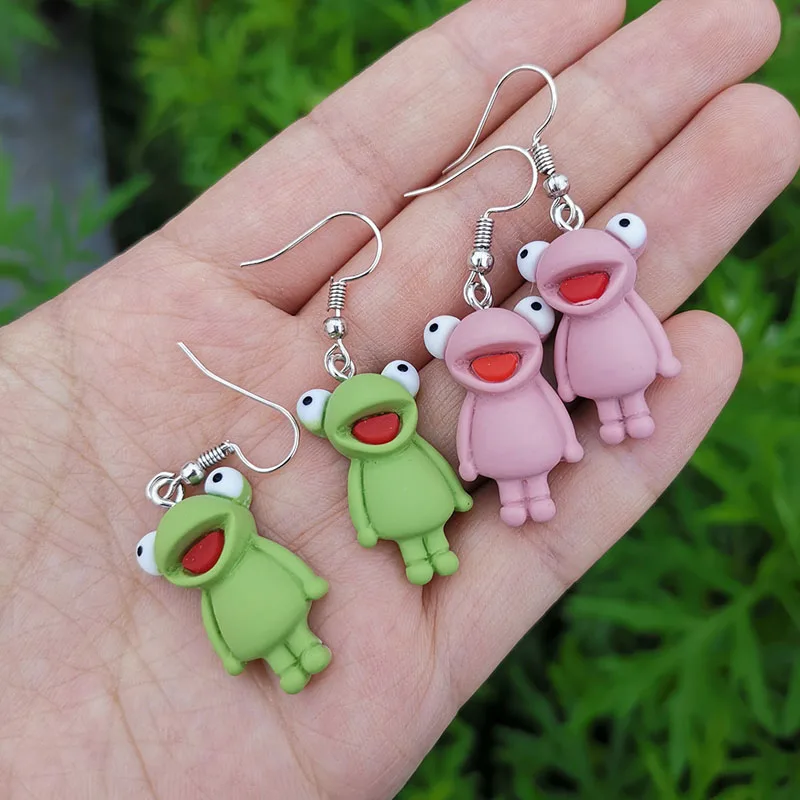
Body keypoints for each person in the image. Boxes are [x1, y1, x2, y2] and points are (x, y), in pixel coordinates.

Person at [0, 0, 797, 796]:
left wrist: (552, 419)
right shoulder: (318, 490)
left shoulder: (522, 355)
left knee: (591, 434)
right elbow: (323, 531)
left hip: (535, 421)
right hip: (397, 518)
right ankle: (341, 620)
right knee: (431, 545)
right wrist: (351, 550)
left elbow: (552, 385)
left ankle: (583, 444)